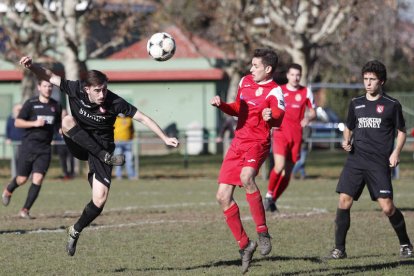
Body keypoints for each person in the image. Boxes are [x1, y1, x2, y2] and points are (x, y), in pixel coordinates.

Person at [17, 56, 179, 256]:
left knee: (99, 200)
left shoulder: (115, 102)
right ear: (86, 89)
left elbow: (143, 118)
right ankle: (101, 158)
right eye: (97, 90)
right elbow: (49, 75)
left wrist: (164, 137)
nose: (102, 94)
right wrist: (32, 66)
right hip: (82, 144)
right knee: (66, 121)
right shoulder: (75, 88)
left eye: (104, 88)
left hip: (102, 149)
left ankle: (75, 230)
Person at [327, 60, 413, 259]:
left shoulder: (391, 105)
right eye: (365, 79)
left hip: (378, 163)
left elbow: (401, 132)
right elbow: (349, 127)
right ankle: (339, 249)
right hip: (356, 160)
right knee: (344, 201)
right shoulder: (356, 103)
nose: (368, 83)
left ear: (381, 81)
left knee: (387, 207)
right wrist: (346, 141)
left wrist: (396, 153)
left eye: (372, 79)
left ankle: (405, 243)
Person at [210, 48, 285, 274]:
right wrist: (222, 104)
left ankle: (262, 232)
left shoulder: (275, 91)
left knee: (246, 177)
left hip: (257, 142)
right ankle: (245, 245)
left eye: (255, 66)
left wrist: (271, 116)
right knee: (222, 196)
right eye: (251, 65)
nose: (251, 69)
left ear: (268, 69)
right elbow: (237, 109)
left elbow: (280, 115)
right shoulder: (244, 82)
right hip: (238, 143)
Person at [2, 80, 62, 219]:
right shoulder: (31, 103)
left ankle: (25, 210)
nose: (48, 89)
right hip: (28, 146)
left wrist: (62, 130)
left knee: (38, 178)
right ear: (39, 87)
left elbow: (58, 125)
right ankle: (8, 190)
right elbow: (17, 122)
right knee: (22, 179)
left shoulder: (56, 105)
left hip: (45, 148)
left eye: (50, 86)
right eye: (45, 86)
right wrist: (34, 123)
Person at [264, 63, 316, 212]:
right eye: (292, 74)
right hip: (281, 134)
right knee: (279, 166)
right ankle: (268, 194)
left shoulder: (306, 92)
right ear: (288, 75)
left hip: (296, 136)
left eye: (298, 75)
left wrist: (308, 118)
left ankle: (272, 200)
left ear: (301, 76)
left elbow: (313, 112)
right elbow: (270, 107)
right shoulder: (279, 90)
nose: (295, 77)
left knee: (288, 174)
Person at [113, 114, 137, 180]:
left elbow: (132, 130)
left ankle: (131, 175)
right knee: (118, 160)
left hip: (128, 142)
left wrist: (133, 139)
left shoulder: (129, 119)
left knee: (129, 160)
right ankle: (118, 176)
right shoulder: (114, 118)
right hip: (117, 142)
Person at [54, 109, 75, 180]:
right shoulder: (57, 123)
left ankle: (72, 173)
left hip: (69, 144)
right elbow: (55, 132)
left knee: (71, 159)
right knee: (62, 160)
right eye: (62, 114)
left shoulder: (70, 122)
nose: (63, 115)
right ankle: (65, 173)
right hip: (60, 145)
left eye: (65, 114)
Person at [5, 103, 25, 177]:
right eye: (18, 109)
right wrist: (8, 138)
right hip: (14, 143)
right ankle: (15, 175)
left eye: (21, 109)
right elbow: (7, 129)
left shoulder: (25, 117)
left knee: (24, 159)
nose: (20, 111)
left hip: (24, 142)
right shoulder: (10, 118)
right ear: (14, 110)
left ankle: (24, 175)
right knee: (15, 160)